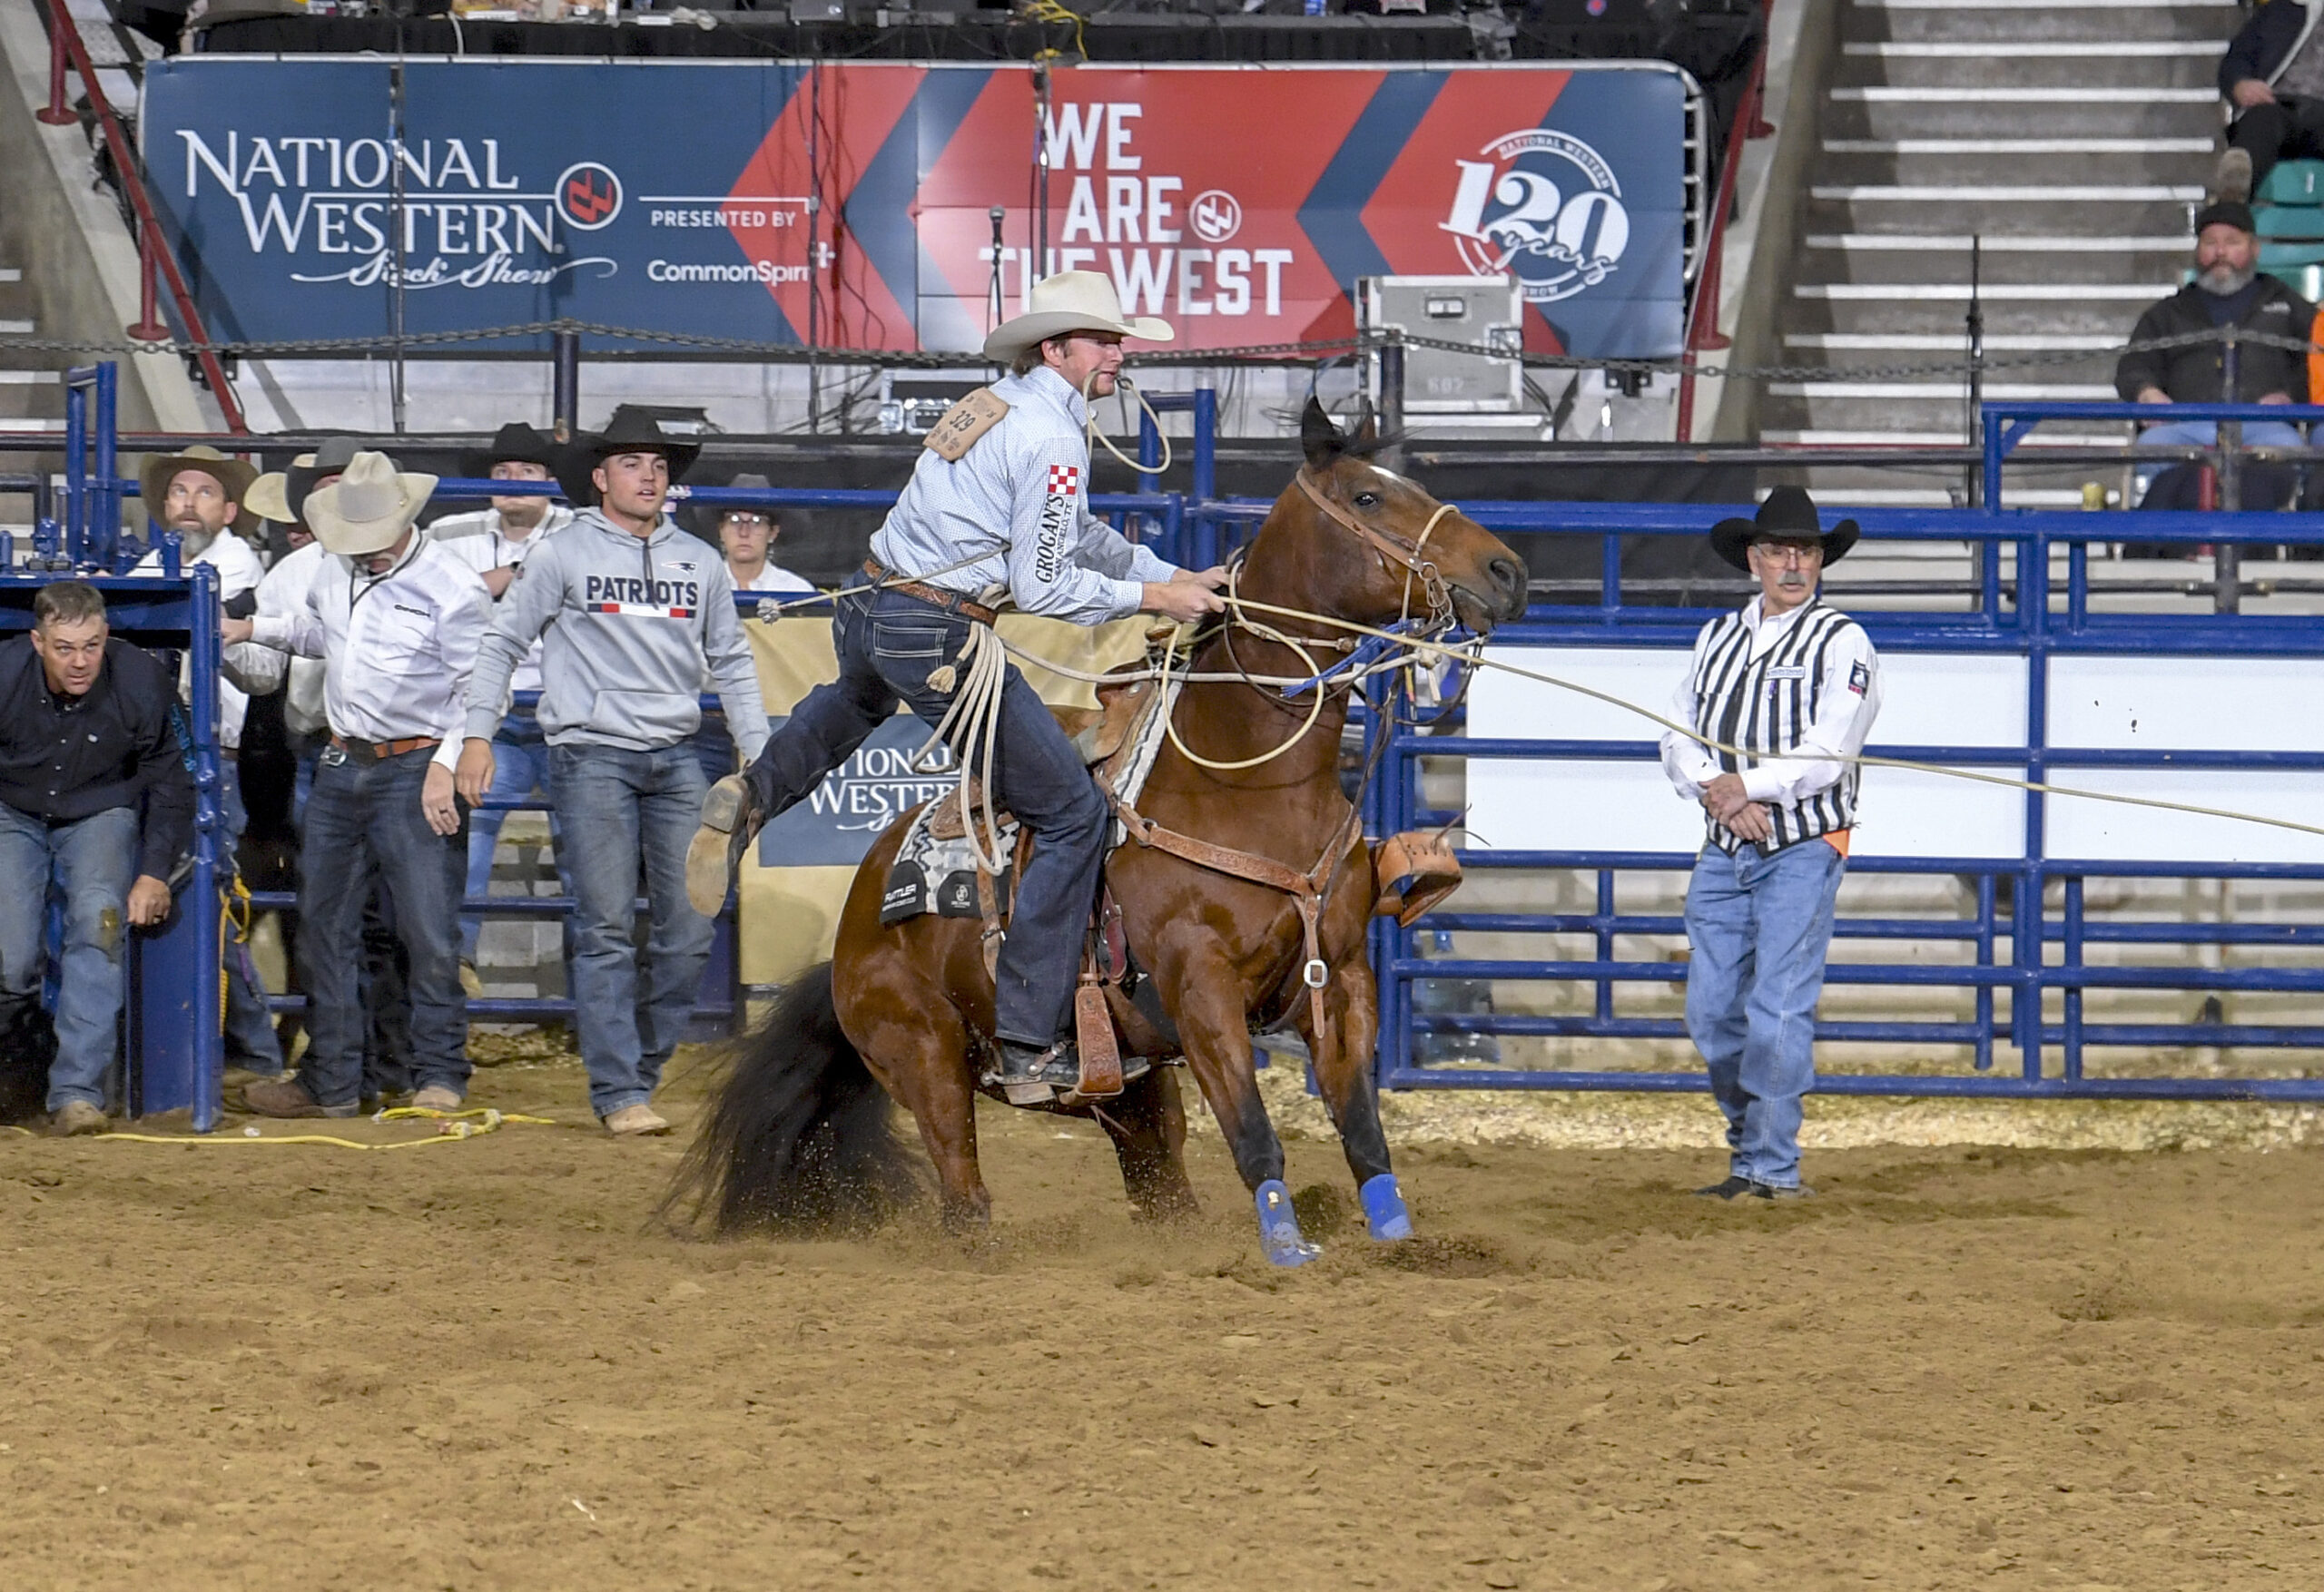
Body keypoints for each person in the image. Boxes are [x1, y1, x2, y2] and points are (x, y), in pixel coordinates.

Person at [684, 270, 1228, 1106]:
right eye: (1107, 340)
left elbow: (1075, 534)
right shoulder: (1052, 435)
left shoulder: (996, 404)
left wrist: (1170, 571)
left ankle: (754, 797)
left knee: (855, 700)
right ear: (1059, 349)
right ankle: (1028, 1035)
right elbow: (1044, 585)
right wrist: (1160, 598)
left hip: (873, 601)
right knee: (1072, 813)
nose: (1122, 354)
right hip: (938, 627)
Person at [455, 414, 768, 1137]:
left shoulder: (699, 561)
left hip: (678, 753)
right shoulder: (562, 555)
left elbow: (732, 658)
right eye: (632, 463)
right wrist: (478, 735)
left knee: (691, 927)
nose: (649, 475)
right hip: (589, 753)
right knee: (604, 928)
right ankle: (620, 1087)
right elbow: (502, 643)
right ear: (601, 478)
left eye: (657, 464)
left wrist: (760, 748)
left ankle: (637, 1074)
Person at [223, 452, 489, 1120]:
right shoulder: (337, 570)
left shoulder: (453, 587)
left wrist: (444, 764)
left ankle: (438, 1072)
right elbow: (321, 632)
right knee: (324, 927)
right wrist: (257, 628)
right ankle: (334, 1079)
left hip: (416, 761)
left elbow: (478, 688)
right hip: (344, 762)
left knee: (426, 932)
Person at [1659, 488, 1883, 1201]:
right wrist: (1715, 789)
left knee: (1777, 1006)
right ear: (1754, 559)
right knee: (1713, 1010)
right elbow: (1674, 732)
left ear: (1821, 560)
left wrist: (1741, 789)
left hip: (1804, 846)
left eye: (1807, 551)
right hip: (1726, 842)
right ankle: (1752, 1144)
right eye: (1781, 551)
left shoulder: (1844, 640)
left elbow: (1830, 748)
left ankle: (1767, 1166)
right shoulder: (1715, 636)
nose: (1794, 563)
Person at [0, 582, 192, 1135]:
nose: (80, 661)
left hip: (101, 809)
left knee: (98, 926)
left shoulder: (142, 680)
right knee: (9, 958)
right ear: (38, 642)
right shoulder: (5, 673)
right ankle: (18, 1075)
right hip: (12, 810)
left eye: (90, 645)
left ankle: (77, 1093)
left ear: (105, 635)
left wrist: (154, 870)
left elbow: (173, 776)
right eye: (65, 648)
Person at [129, 444, 283, 1077]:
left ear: (229, 508)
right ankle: (235, 1050)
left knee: (211, 904)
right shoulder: (147, 568)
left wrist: (221, 631)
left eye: (204, 492)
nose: (189, 503)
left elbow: (265, 673)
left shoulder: (245, 578)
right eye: (179, 492)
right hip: (155, 757)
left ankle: (252, 1050)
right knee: (186, 901)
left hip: (209, 759)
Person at [429, 421, 576, 988]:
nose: (514, 482)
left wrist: (501, 580)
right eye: (503, 472)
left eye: (528, 472)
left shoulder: (582, 531)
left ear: (548, 481)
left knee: (580, 847)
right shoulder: (450, 532)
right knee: (475, 834)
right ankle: (457, 971)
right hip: (490, 714)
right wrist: (516, 575)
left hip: (566, 714)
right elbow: (427, 598)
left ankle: (585, 985)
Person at [2115, 202, 2312, 512]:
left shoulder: (2285, 303)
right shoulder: (2169, 312)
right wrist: (2146, 391)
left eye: (2232, 242)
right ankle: (2172, 546)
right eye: (2210, 242)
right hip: (2183, 424)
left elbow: (2316, 363)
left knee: (2288, 451)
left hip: (2264, 425)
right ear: (2198, 250)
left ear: (2255, 248)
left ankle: (2257, 549)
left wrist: (2291, 394)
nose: (2220, 252)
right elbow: (2133, 365)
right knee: (2151, 449)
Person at [2216, 0, 2324, 202]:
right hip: (2276, 105)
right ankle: (2231, 205)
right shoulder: (2280, 11)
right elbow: (2237, 59)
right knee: (2261, 120)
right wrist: (2240, 84)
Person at [699, 475, 812, 595]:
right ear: (721, 530)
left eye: (756, 522)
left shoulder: (795, 590)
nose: (744, 532)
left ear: (772, 533)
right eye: (735, 520)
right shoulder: (700, 586)